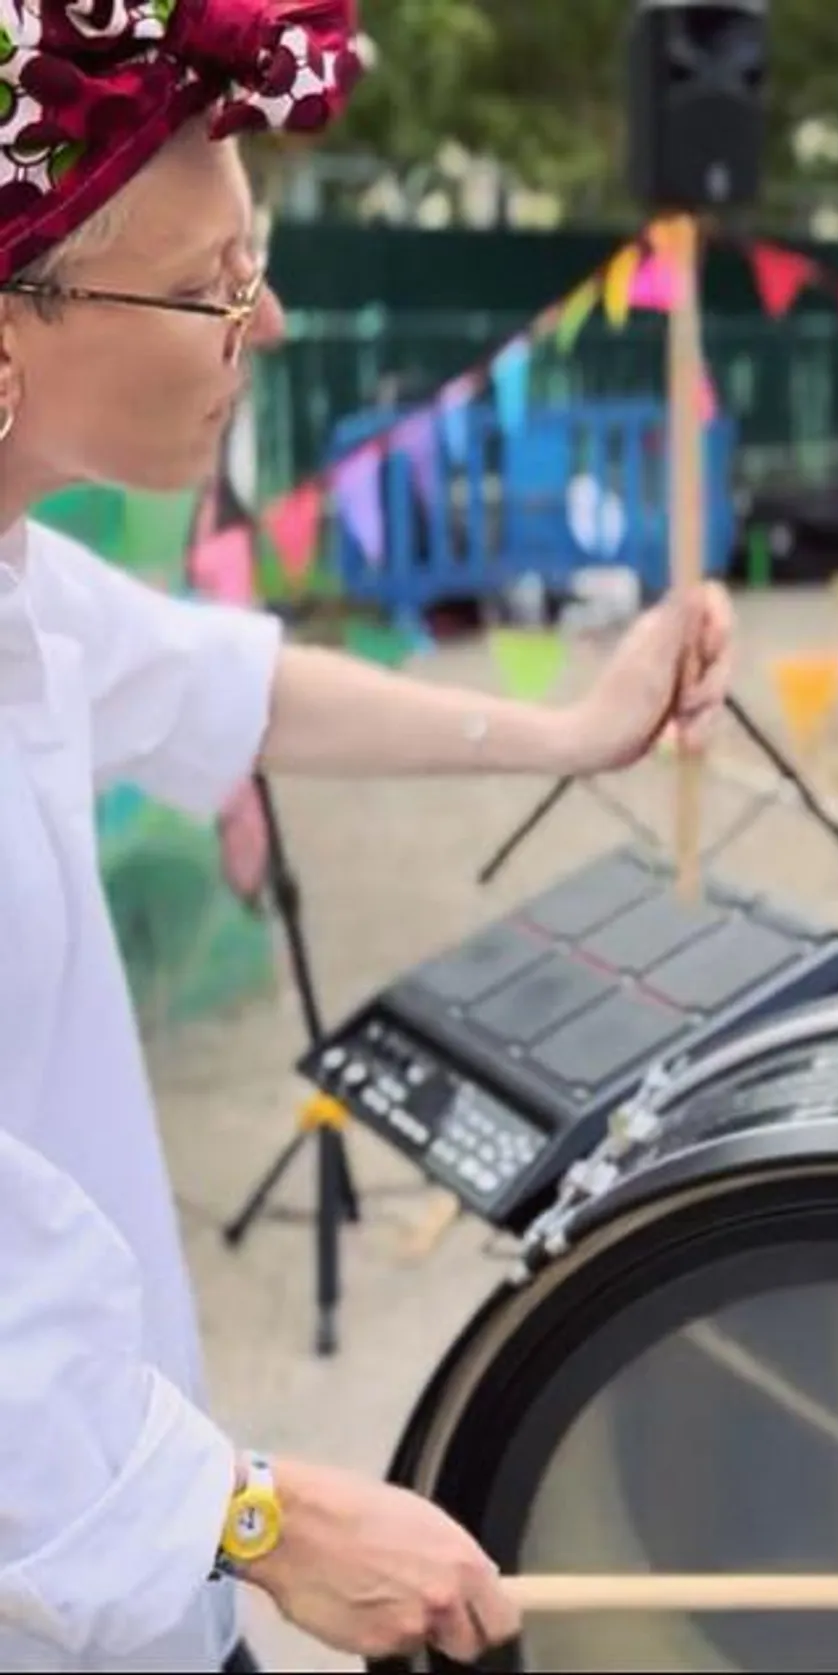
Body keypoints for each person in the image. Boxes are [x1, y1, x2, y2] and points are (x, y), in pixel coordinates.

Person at [0, 4, 735, 1672]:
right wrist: (259, 1518)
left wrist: (571, 730)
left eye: (251, 259)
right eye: (207, 286)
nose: (265, 317)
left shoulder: (25, 580)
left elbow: (229, 687)